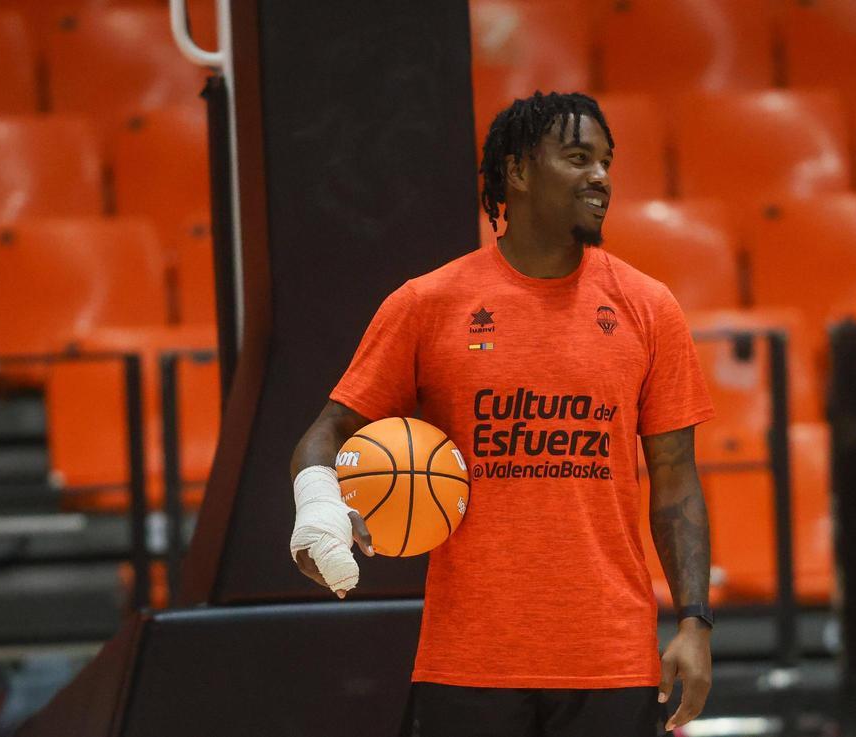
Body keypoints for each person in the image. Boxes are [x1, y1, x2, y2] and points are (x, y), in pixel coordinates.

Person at [289, 91, 715, 736]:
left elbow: (676, 477)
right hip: (469, 658)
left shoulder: (648, 307)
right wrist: (318, 506)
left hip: (612, 656)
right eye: (577, 158)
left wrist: (694, 622)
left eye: (605, 161)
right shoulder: (426, 304)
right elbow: (328, 429)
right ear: (516, 172)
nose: (600, 177)